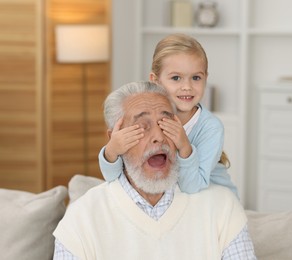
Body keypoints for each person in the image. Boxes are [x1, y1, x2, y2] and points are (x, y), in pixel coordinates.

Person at [53, 81, 256, 259]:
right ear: (114, 138)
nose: (158, 136)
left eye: (166, 123)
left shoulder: (222, 207)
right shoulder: (82, 219)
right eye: (142, 126)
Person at [98, 33, 238, 197]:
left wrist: (185, 147)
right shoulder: (147, 120)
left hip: (212, 200)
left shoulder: (211, 127)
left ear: (206, 78)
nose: (187, 86)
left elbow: (192, 187)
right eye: (176, 78)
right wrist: (111, 151)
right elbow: (112, 178)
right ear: (155, 80)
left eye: (196, 77)